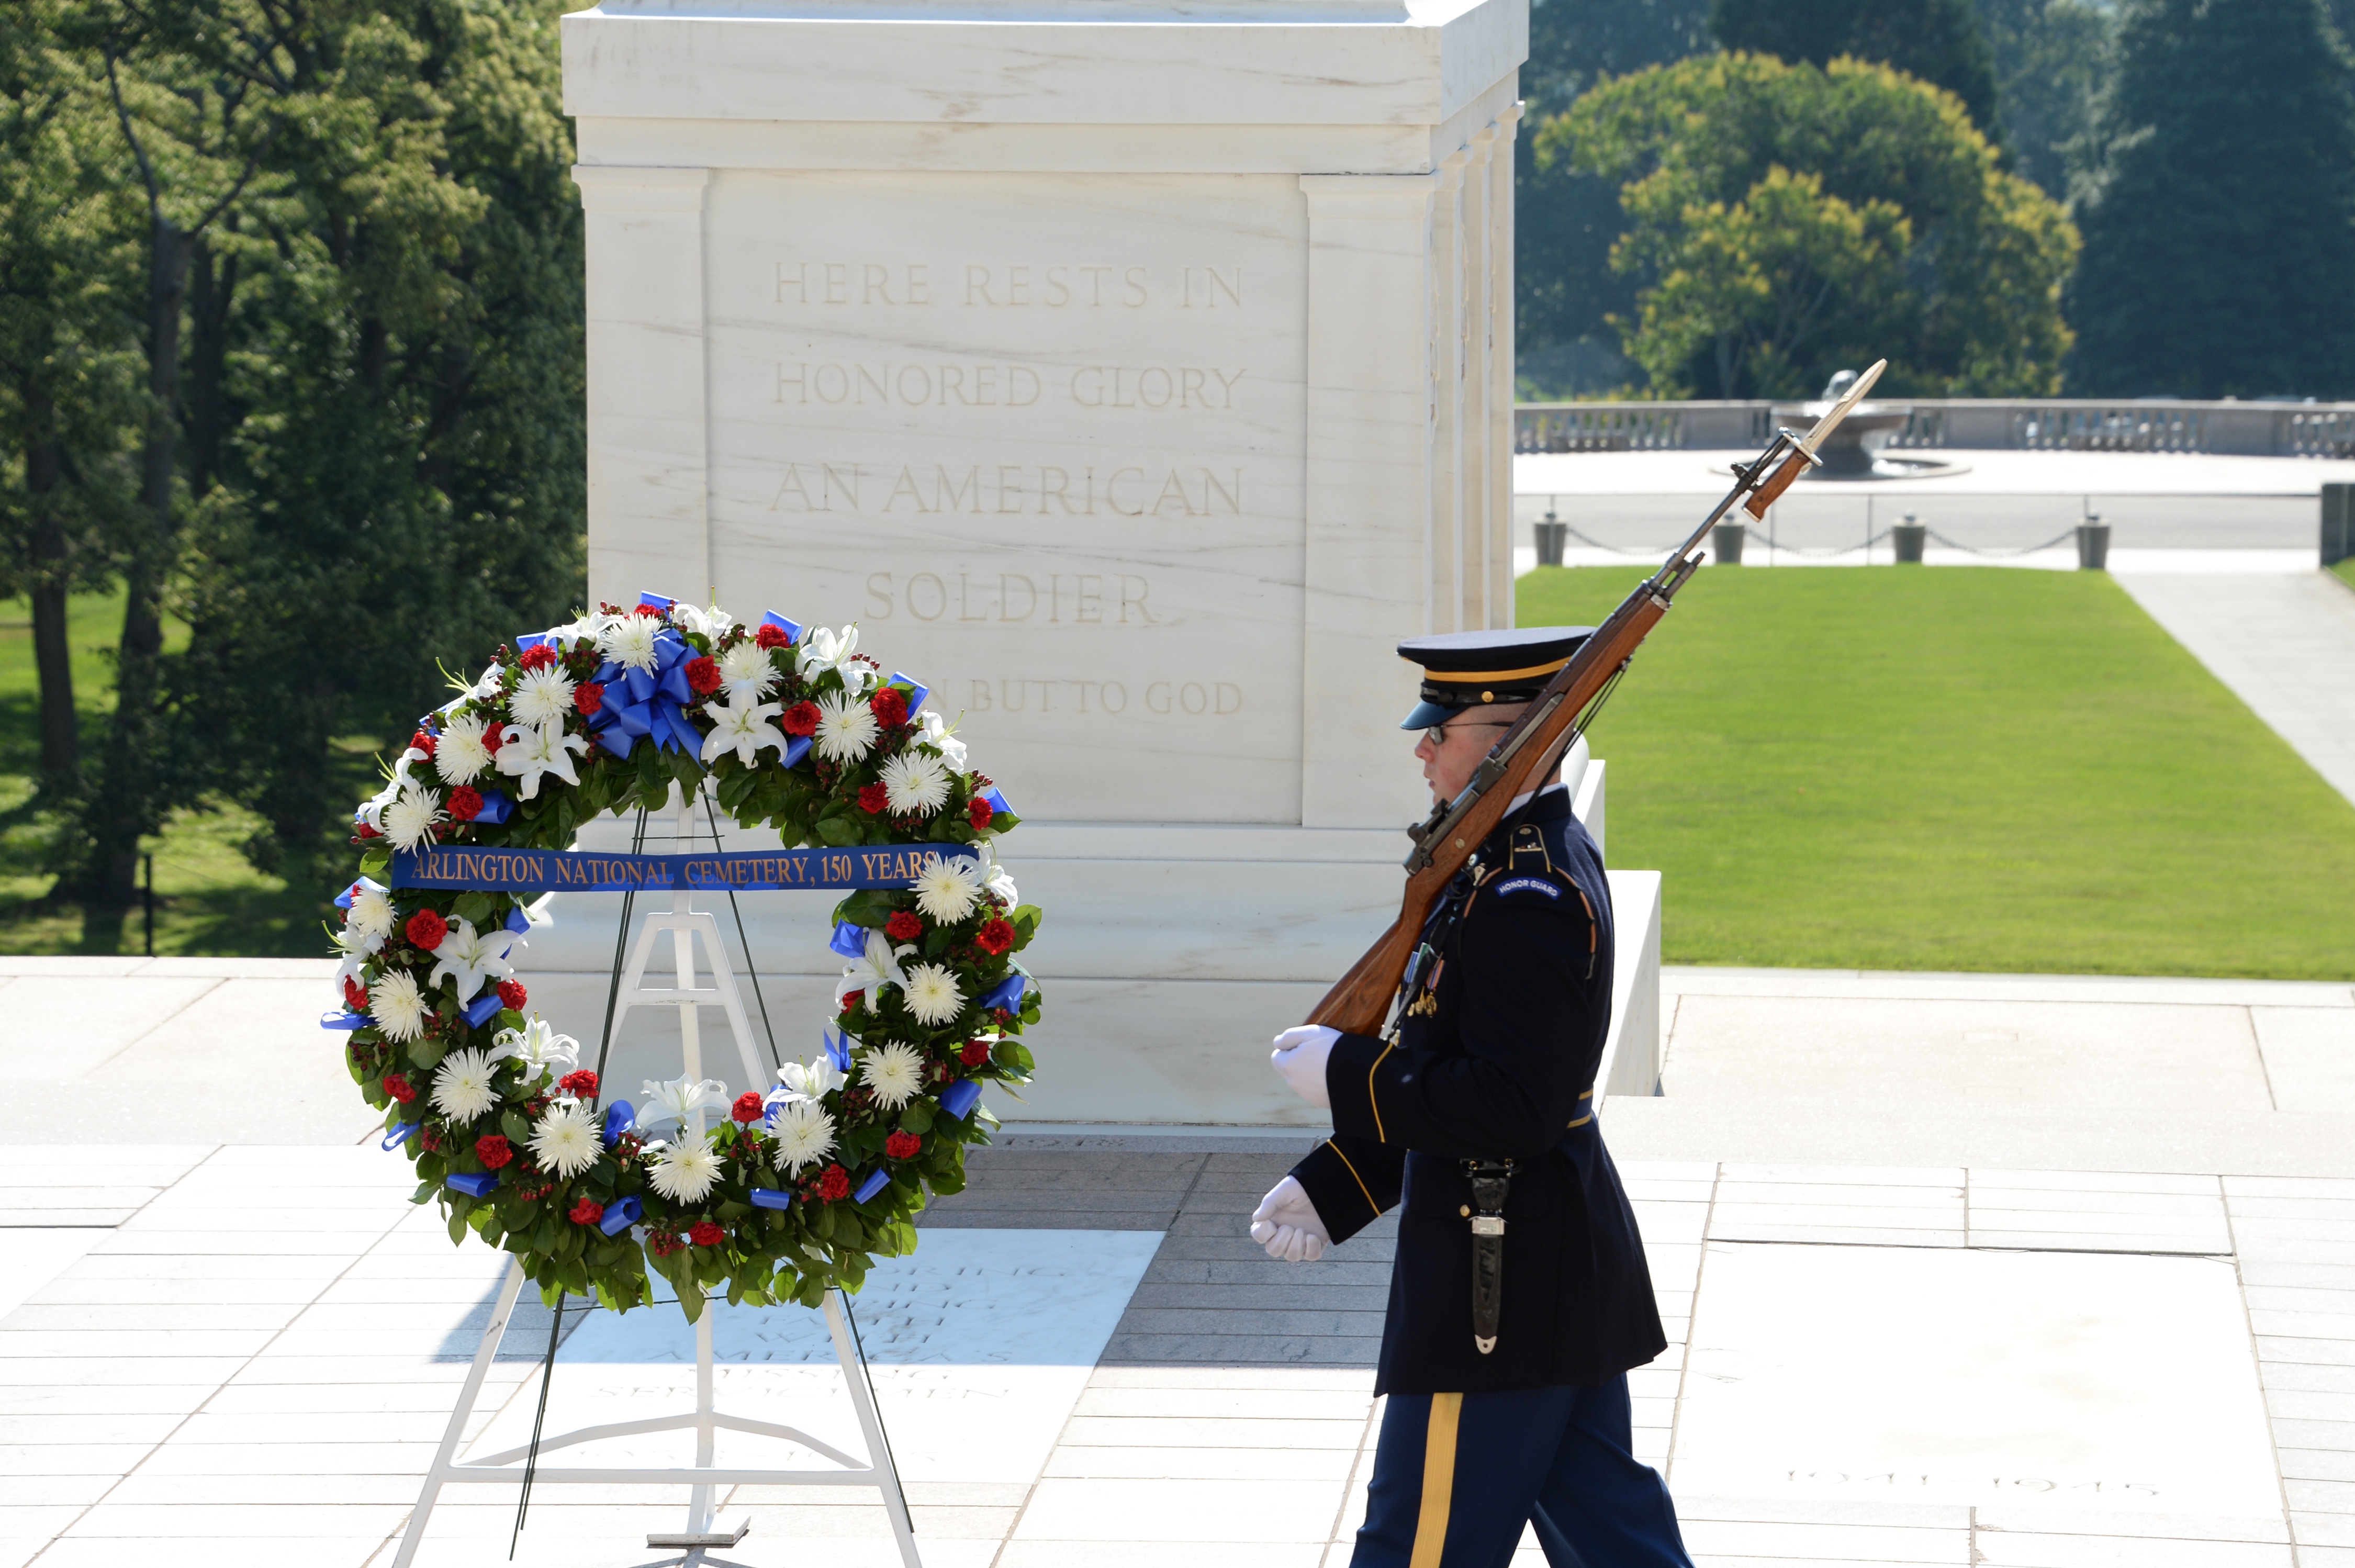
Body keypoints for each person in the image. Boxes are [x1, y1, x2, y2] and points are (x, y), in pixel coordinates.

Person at [1252, 625, 1694, 1568]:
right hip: (1546, 1264)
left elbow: (1512, 1105)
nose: (1421, 748)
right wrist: (1341, 1184)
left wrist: (1344, 1073)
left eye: (1438, 730)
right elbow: (1449, 1053)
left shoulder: (1521, 890)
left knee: (1420, 1546)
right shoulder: (1495, 865)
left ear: (1507, 741)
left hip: (1496, 1280)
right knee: (1614, 1537)